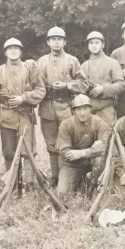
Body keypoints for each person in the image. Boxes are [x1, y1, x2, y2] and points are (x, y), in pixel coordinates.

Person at [0, 38, 45, 187]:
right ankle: (11, 182)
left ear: (21, 51)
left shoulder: (29, 69)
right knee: (8, 152)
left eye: (16, 48)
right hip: (6, 117)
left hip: (25, 116)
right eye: (10, 48)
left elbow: (40, 91)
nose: (13, 50)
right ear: (5, 52)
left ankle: (29, 182)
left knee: (28, 151)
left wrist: (23, 98)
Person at [36, 27, 88, 187]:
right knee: (51, 145)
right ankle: (55, 177)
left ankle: (70, 178)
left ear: (64, 42)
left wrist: (67, 85)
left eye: (59, 39)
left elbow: (84, 84)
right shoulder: (41, 61)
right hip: (47, 107)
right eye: (53, 39)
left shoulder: (72, 60)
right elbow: (34, 84)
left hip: (67, 107)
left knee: (67, 143)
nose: (56, 42)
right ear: (48, 42)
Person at [56, 94, 110, 195]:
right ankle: (82, 180)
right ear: (73, 111)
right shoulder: (66, 124)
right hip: (73, 164)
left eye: (85, 108)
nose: (82, 113)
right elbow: (64, 152)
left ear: (90, 109)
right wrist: (93, 150)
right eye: (78, 109)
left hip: (93, 161)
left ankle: (95, 184)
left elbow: (106, 146)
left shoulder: (98, 122)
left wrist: (83, 153)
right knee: (62, 193)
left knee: (100, 161)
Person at [81, 31, 125, 127]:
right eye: (91, 43)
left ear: (103, 45)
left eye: (97, 42)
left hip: (106, 110)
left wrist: (103, 89)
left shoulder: (112, 63)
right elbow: (79, 87)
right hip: (89, 111)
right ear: (88, 46)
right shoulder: (84, 66)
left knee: (107, 139)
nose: (94, 46)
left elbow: (121, 85)